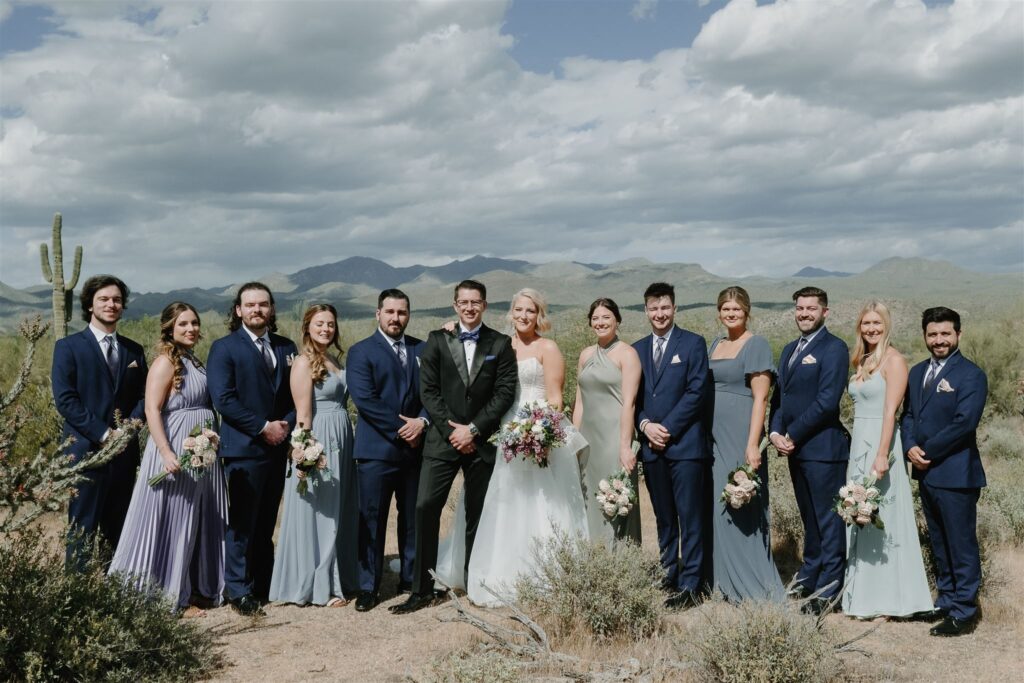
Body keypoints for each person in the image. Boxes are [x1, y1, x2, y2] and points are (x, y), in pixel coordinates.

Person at [437, 289, 590, 606]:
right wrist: (451, 329)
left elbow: (555, 397)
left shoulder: (548, 348)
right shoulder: (497, 345)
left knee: (542, 501)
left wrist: (539, 429)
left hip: (537, 430)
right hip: (502, 431)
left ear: (539, 315)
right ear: (510, 312)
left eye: (530, 311)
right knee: (501, 499)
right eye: (518, 310)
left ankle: (543, 572)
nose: (523, 316)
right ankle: (495, 568)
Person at [390, 280, 517, 615]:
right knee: (424, 508)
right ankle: (421, 589)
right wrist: (454, 431)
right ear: (455, 304)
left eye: (476, 302)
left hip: (482, 443)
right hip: (442, 442)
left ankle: (473, 581)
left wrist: (474, 430)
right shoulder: (437, 340)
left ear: (485, 306)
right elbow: (428, 391)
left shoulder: (500, 344)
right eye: (464, 302)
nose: (470, 307)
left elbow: (503, 393)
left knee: (478, 516)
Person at [109, 302, 227, 614]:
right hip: (174, 446)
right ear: (169, 329)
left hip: (199, 448)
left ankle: (189, 588)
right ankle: (170, 595)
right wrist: (166, 452)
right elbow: (151, 409)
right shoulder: (164, 363)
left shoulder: (194, 360)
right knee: (172, 520)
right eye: (183, 324)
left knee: (192, 519)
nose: (191, 329)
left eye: (194, 323)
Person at [207, 282, 297, 616]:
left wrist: (284, 426)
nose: (257, 310)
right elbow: (223, 399)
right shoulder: (224, 348)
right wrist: (263, 427)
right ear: (238, 310)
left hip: (277, 447)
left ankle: (263, 582)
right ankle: (238, 589)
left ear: (271, 309)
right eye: (250, 305)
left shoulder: (287, 347)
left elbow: (294, 394)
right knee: (243, 522)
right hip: (244, 448)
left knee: (266, 520)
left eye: (263, 304)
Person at [841, 301, 933, 619]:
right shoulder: (861, 359)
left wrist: (882, 455)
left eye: (877, 323)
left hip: (881, 443)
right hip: (859, 444)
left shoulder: (893, 361)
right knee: (859, 513)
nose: (871, 328)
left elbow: (890, 412)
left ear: (887, 325)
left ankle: (890, 598)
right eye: (866, 323)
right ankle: (861, 594)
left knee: (884, 517)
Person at [901, 307, 988, 636]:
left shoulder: (971, 375)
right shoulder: (917, 372)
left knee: (961, 542)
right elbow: (908, 415)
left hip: (955, 473)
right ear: (925, 336)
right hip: (925, 472)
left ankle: (965, 612)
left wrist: (927, 452)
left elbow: (964, 423)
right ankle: (947, 600)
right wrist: (910, 446)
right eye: (933, 334)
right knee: (939, 540)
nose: (939, 340)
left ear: (958, 335)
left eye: (945, 334)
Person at [52, 274, 147, 569]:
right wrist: (105, 433)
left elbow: (144, 397)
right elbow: (66, 400)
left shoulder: (134, 351)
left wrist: (128, 429)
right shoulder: (68, 347)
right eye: (104, 299)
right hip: (85, 450)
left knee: (118, 525)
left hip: (123, 452)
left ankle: (114, 595)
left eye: (117, 300)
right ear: (90, 305)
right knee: (82, 526)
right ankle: (79, 595)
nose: (111, 304)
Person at [269, 304, 359, 606]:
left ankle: (340, 576)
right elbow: (303, 414)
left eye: (331, 324)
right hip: (320, 437)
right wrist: (305, 454)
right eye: (320, 323)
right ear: (307, 326)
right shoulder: (303, 362)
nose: (326, 329)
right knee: (321, 509)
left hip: (342, 435)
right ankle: (321, 584)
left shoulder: (333, 359)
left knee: (339, 506)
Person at [769, 286, 850, 615]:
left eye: (811, 309)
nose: (804, 314)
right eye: (800, 308)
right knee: (810, 520)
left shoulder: (835, 348)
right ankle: (811, 573)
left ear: (824, 312)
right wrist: (774, 430)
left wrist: (793, 433)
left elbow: (827, 402)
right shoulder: (789, 349)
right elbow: (780, 399)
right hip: (794, 450)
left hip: (823, 449)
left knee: (828, 522)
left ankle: (830, 590)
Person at [346, 290, 428, 612]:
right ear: (377, 313)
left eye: (402, 312)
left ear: (409, 315)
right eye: (390, 312)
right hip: (376, 451)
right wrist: (401, 429)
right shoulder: (361, 351)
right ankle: (368, 586)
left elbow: (433, 393)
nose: (396, 318)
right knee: (371, 519)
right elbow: (365, 399)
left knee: (412, 519)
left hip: (415, 450)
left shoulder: (422, 349)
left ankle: (410, 578)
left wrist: (422, 422)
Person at [633, 283, 712, 609]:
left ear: (674, 309)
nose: (660, 314)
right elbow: (631, 398)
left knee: (689, 516)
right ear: (646, 310)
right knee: (664, 518)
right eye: (654, 308)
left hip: (686, 446)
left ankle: (693, 584)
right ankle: (670, 573)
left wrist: (667, 427)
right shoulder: (635, 349)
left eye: (665, 308)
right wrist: (645, 426)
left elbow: (697, 392)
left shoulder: (693, 344)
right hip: (652, 448)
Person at [708, 287, 785, 603]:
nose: (731, 314)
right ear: (719, 312)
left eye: (736, 309)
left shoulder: (756, 345)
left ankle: (752, 585)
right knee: (718, 505)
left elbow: (760, 399)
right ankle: (723, 581)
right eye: (725, 309)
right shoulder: (716, 344)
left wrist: (753, 444)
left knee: (741, 500)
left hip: (740, 433)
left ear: (747, 311)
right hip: (713, 435)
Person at [573, 298, 642, 546]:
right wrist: (575, 440)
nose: (600, 322)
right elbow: (579, 402)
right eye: (595, 318)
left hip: (614, 437)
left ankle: (620, 562)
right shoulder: (585, 355)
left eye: (606, 317)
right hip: (588, 439)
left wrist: (625, 446)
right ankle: (592, 556)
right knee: (589, 497)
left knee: (615, 497)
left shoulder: (628, 354)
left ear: (617, 320)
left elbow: (629, 403)